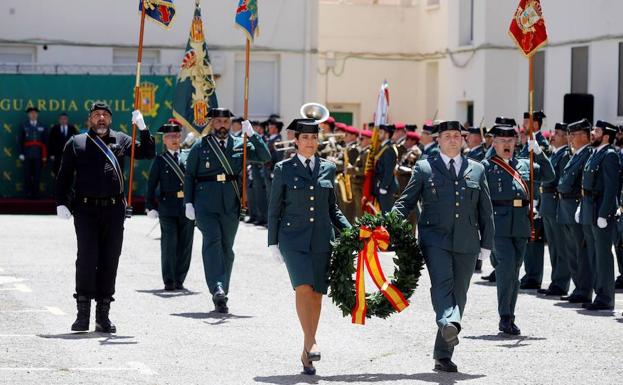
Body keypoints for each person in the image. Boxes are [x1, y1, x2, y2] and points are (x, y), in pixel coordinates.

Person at [393, 120, 494, 373]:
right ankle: (449, 321)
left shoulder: (478, 169)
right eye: (446, 135)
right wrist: (384, 224)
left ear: (463, 139)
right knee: (442, 284)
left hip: (467, 241)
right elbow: (406, 202)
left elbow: (486, 210)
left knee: (459, 293)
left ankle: (443, 354)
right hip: (434, 239)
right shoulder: (425, 168)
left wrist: (487, 245)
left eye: (456, 136)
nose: (451, 140)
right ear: (438, 140)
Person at [55, 101, 155, 333]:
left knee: (110, 260)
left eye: (105, 115)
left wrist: (143, 128)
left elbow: (148, 153)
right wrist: (61, 202)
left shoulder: (121, 139)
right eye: (96, 115)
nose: (101, 119)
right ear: (89, 119)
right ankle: (83, 315)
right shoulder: (76, 142)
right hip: (86, 210)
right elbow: (63, 176)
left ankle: (103, 315)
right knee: (87, 259)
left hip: (113, 210)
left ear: (110, 119)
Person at [267, 118, 351, 376]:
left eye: (314, 137)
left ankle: (306, 352)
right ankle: (312, 341)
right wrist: (273, 242)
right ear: (296, 141)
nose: (310, 142)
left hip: (321, 240)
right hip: (293, 239)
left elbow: (332, 207)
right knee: (303, 287)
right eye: (305, 138)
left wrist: (351, 231)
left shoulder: (328, 167)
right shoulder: (284, 168)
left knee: (317, 294)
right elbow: (275, 207)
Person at [184, 108, 270, 313]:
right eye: (218, 121)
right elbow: (189, 176)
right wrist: (188, 202)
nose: (222, 124)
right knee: (212, 241)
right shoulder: (200, 146)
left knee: (227, 249)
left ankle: (222, 291)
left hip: (230, 204)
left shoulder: (241, 144)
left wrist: (254, 135)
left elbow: (264, 156)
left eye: (226, 121)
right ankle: (217, 287)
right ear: (212, 123)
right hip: (205, 203)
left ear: (231, 123)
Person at [482, 124, 554, 335]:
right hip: (498, 225)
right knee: (506, 268)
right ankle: (505, 316)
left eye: (510, 141)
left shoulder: (525, 163)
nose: (506, 144)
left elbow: (549, 176)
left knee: (514, 272)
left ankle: (509, 315)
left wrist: (539, 153)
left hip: (521, 224)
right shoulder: (486, 167)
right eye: (502, 141)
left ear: (516, 143)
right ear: (494, 143)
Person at [145, 122, 194, 291]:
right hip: (167, 206)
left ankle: (180, 279)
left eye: (177, 136)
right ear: (164, 140)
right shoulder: (160, 160)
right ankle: (169, 280)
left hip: (187, 206)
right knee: (169, 243)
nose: (174, 139)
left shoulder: (188, 156)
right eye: (170, 137)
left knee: (186, 244)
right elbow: (151, 184)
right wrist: (150, 206)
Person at [577, 120, 620, 311]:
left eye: (597, 130)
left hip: (600, 210)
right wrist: (581, 207)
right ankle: (598, 293)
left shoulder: (609, 155)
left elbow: (611, 188)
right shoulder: (595, 153)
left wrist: (605, 213)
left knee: (602, 255)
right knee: (594, 254)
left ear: (606, 136)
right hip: (589, 207)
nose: (592, 132)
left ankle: (605, 297)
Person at [557, 119, 593, 304]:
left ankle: (584, 289)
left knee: (581, 251)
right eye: (570, 134)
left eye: (574, 134)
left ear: (585, 135)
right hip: (565, 207)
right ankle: (578, 287)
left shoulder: (587, 154)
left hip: (576, 205)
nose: (570, 138)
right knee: (571, 251)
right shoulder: (575, 155)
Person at [536, 123, 571, 296]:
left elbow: (560, 181)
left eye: (557, 133)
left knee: (560, 246)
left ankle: (561, 282)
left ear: (566, 136)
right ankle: (556, 280)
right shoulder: (555, 154)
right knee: (552, 247)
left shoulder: (565, 155)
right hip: (547, 203)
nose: (553, 136)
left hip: (556, 203)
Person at [18, 107, 48, 199]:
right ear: (28, 115)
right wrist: (21, 153)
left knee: (37, 175)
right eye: (31, 113)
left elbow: (45, 142)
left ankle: (35, 194)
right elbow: (20, 141)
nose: (33, 115)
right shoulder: (24, 125)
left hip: (39, 155)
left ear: (37, 114)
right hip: (27, 154)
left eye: (35, 113)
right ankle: (27, 193)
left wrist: (45, 155)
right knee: (27, 175)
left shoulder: (42, 126)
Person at [374, 124, 399, 213]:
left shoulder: (389, 149)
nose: (378, 134)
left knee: (387, 214)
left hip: (387, 187)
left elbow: (389, 170)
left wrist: (384, 186)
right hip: (381, 184)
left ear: (387, 134)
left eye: (381, 132)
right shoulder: (383, 147)